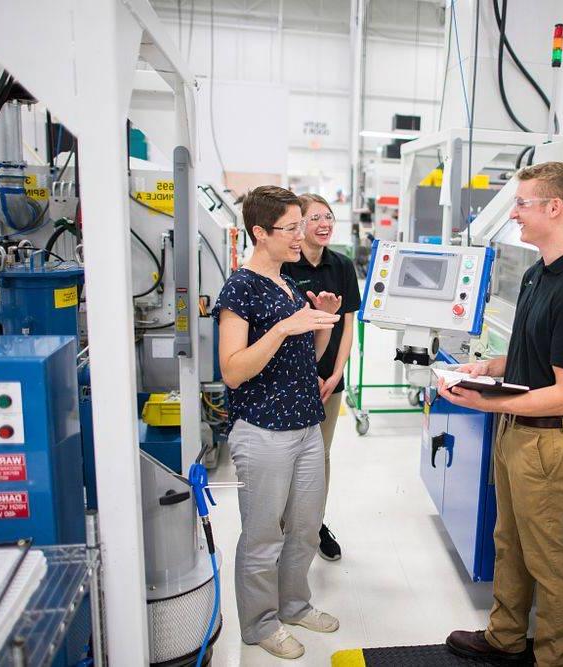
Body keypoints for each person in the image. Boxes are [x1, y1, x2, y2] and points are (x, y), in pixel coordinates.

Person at [438, 162, 563, 667]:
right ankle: (505, 637)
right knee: (508, 542)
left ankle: (553, 658)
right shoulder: (540, 272)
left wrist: (489, 402)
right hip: (516, 431)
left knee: (546, 558)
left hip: (547, 442)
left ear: (554, 208)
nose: (513, 213)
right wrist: (486, 368)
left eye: (522, 204)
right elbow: (532, 354)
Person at [213, 185, 342, 660]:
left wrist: (321, 321)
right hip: (264, 431)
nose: (300, 235)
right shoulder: (240, 289)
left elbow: (307, 359)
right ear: (259, 232)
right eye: (290, 228)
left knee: (305, 527)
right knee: (264, 535)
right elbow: (233, 368)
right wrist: (283, 327)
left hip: (306, 424)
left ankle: (294, 604)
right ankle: (260, 624)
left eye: (300, 225)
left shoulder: (289, 285)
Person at [282, 193, 361, 561]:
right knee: (289, 456)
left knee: (321, 456)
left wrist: (337, 372)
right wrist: (306, 374)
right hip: (292, 379)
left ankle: (314, 525)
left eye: (328, 216)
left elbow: (348, 325)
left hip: (330, 381)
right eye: (315, 218)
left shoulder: (342, 265)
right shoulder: (286, 266)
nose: (325, 223)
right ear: (299, 224)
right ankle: (287, 529)